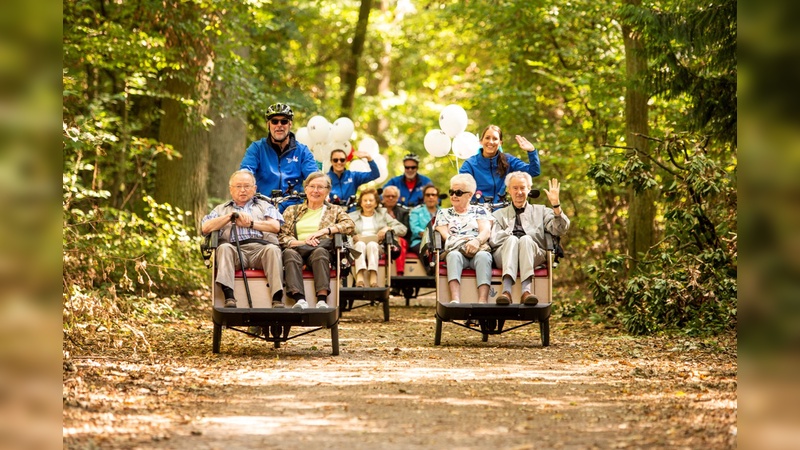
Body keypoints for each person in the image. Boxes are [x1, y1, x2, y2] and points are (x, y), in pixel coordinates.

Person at [201, 170, 285, 308]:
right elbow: (205, 228)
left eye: (247, 186)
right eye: (238, 186)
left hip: (261, 249)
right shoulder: (221, 209)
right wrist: (230, 216)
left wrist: (251, 224)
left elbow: (275, 226)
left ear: (255, 188)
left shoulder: (265, 206)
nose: (243, 190)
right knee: (224, 248)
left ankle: (277, 298)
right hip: (234, 249)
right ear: (231, 189)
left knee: (273, 250)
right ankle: (229, 297)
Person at [489, 172, 569, 306]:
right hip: (504, 255)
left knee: (525, 239)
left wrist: (556, 206)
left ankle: (526, 292)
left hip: (533, 253)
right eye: (515, 188)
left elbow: (560, 229)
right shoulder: (498, 214)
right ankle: (506, 292)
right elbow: (494, 239)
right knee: (512, 240)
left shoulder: (541, 210)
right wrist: (513, 239)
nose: (519, 192)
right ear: (509, 190)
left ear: (529, 189)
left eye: (522, 188)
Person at [278, 172, 355, 309]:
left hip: (320, 249)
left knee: (320, 252)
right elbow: (282, 236)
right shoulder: (292, 210)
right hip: (297, 248)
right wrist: (303, 243)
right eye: (312, 186)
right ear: (305, 188)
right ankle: (299, 299)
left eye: (320, 187)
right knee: (289, 254)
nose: (315, 190)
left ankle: (322, 299)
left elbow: (350, 225)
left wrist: (325, 231)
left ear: (327, 191)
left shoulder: (334, 210)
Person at [240, 103, 319, 211]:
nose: (279, 125)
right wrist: (244, 184)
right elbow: (246, 172)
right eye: (274, 121)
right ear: (268, 124)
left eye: (284, 121)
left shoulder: (302, 151)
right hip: (261, 207)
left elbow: (314, 176)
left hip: (294, 209)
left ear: (290, 124)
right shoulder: (257, 148)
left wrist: (318, 186)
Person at [435, 174, 494, 303]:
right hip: (455, 249)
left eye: (459, 192)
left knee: (484, 256)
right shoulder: (443, 213)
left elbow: (486, 231)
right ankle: (455, 300)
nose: (454, 195)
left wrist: (476, 241)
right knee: (453, 256)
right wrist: (464, 244)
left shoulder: (480, 210)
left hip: (477, 249)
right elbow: (445, 235)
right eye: (451, 192)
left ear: (470, 195)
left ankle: (483, 300)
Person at [458, 125, 541, 204]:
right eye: (487, 138)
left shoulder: (508, 160)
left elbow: (534, 171)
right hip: (477, 211)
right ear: (481, 141)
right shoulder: (470, 164)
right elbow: (460, 187)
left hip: (501, 210)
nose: (491, 142)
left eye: (495, 139)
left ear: (500, 142)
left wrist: (531, 151)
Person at [348, 188, 407, 287]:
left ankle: (373, 277)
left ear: (376, 203)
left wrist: (387, 228)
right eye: (365, 200)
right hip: (357, 245)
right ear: (360, 203)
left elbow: (402, 229)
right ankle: (360, 277)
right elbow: (342, 230)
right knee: (360, 244)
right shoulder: (351, 216)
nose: (368, 203)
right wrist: (353, 236)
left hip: (377, 246)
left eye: (371, 200)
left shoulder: (382, 215)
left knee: (372, 245)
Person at [380, 185, 411, 276]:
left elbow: (406, 231)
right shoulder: (376, 210)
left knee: (398, 242)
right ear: (383, 197)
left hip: (399, 239)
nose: (390, 198)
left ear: (397, 198)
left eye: (393, 196)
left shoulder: (404, 212)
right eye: (387, 196)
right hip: (380, 238)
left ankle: (399, 274)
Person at [408, 184, 441, 255]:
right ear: (424, 197)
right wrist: (429, 236)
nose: (431, 197)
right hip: (420, 241)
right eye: (428, 195)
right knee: (428, 252)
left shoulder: (443, 212)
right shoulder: (416, 211)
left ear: (437, 197)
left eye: (433, 195)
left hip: (440, 242)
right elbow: (415, 228)